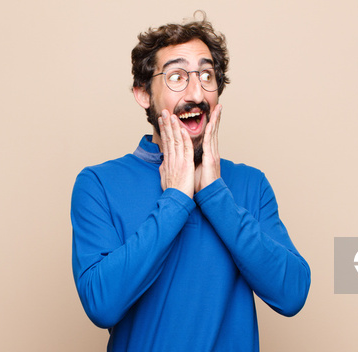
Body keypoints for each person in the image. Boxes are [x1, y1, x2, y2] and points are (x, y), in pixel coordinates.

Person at [71, 12, 311, 351]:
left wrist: (215, 196)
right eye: (177, 76)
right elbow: (102, 304)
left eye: (206, 75)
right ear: (143, 93)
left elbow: (293, 293)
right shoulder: (98, 184)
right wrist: (175, 201)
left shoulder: (249, 184)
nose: (196, 92)